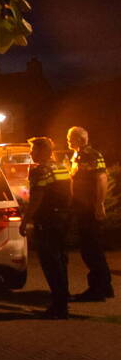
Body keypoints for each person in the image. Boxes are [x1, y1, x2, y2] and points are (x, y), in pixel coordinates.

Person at [20, 137, 71, 319]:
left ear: (43, 151)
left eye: (33, 150)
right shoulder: (62, 168)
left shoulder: (40, 171)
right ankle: (63, 302)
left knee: (50, 263)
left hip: (48, 220)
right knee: (61, 260)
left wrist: (25, 220)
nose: (31, 153)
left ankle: (58, 307)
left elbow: (36, 198)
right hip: (63, 218)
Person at [66, 126, 113, 301]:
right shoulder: (78, 155)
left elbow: (101, 178)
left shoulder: (91, 155)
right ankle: (105, 286)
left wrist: (99, 204)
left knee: (90, 250)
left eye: (70, 138)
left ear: (79, 139)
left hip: (89, 209)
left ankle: (97, 290)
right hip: (82, 208)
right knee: (92, 248)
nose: (68, 141)